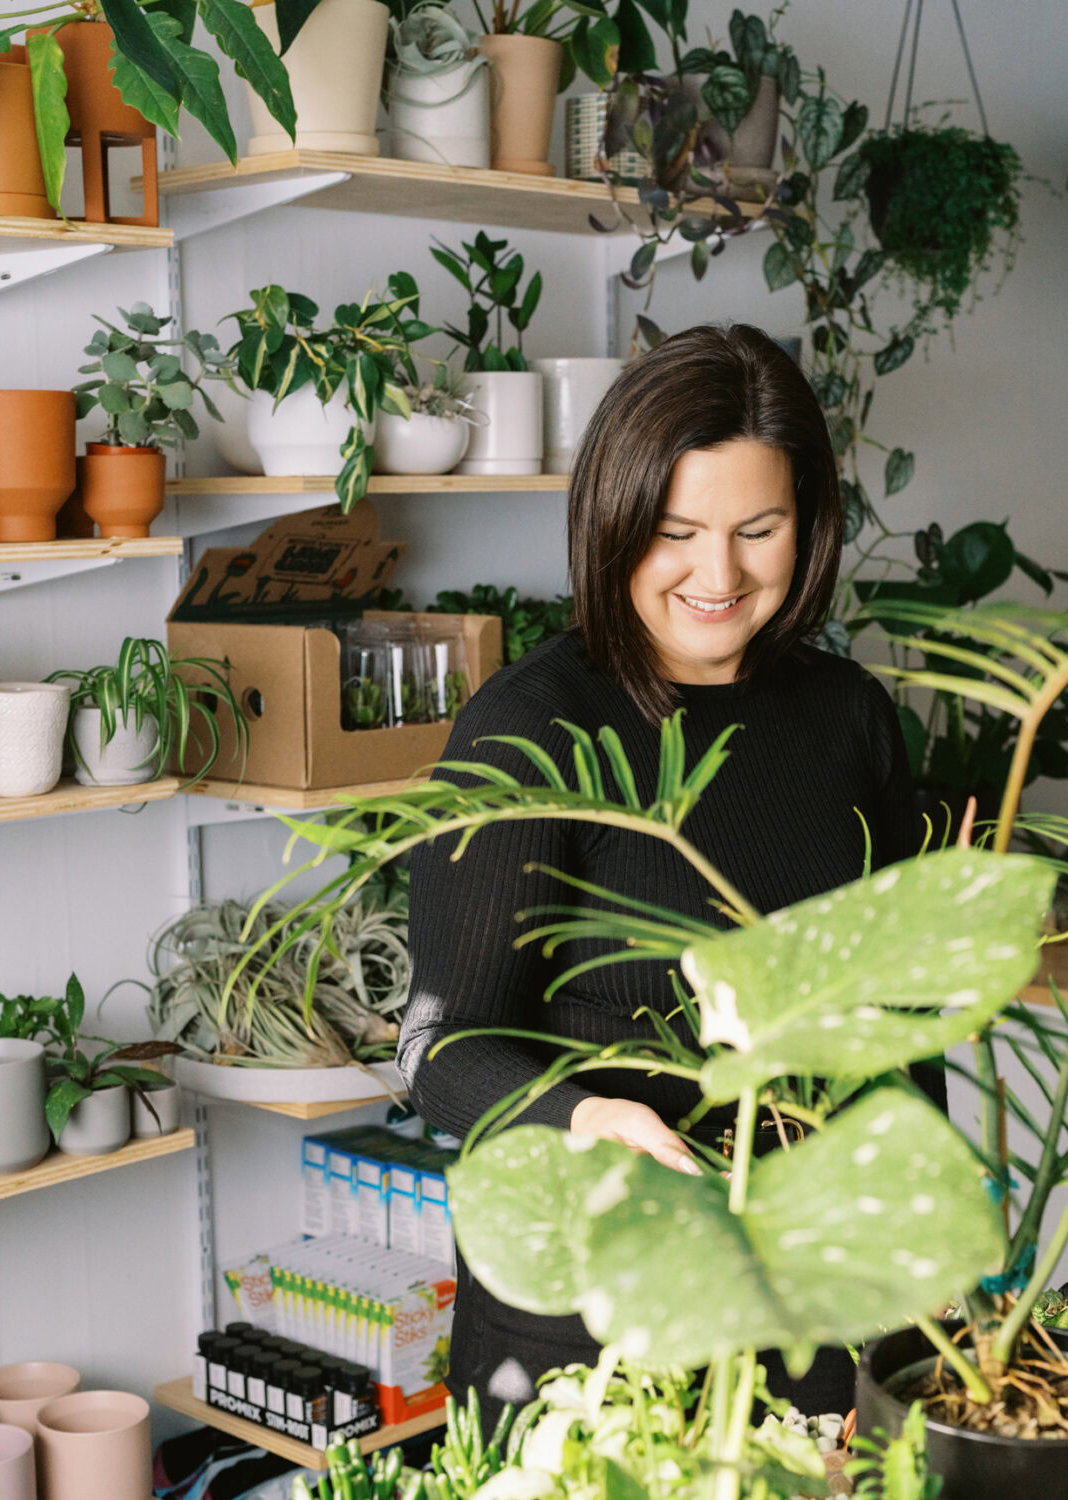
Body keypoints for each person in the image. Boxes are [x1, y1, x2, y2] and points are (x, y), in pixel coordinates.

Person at [396, 323, 939, 1425]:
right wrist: (587, 1120)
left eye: (759, 529)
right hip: (591, 1316)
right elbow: (438, 1048)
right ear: (614, 522)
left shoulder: (850, 718)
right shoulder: (534, 729)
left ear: (810, 524)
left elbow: (901, 1018)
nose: (718, 574)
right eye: (675, 531)